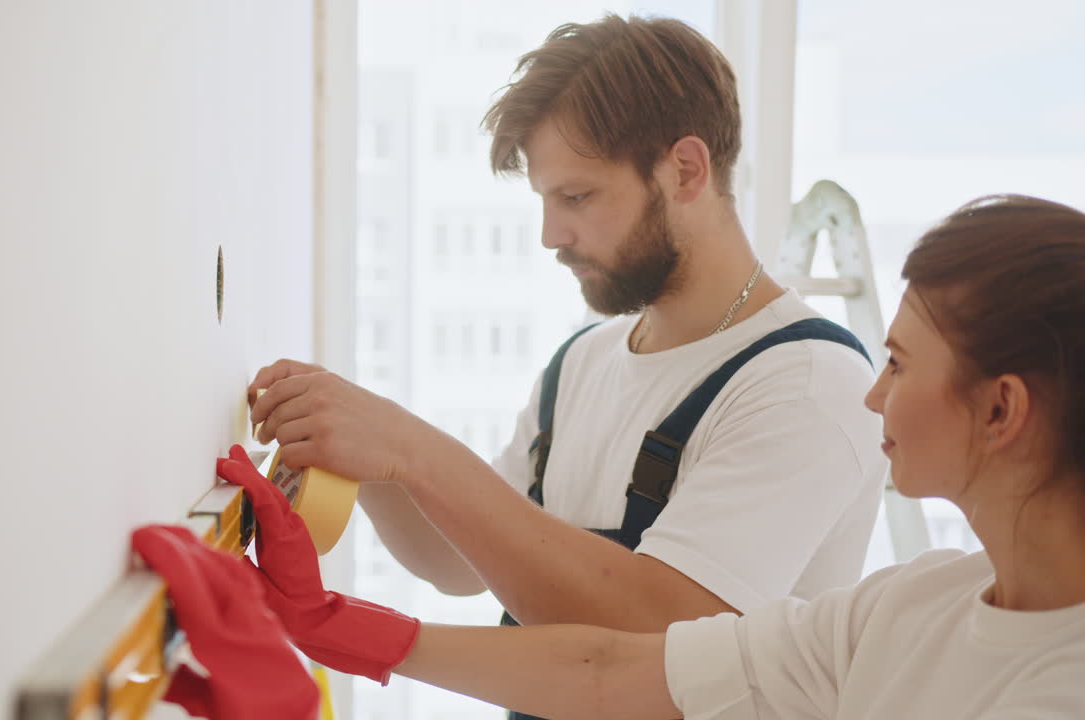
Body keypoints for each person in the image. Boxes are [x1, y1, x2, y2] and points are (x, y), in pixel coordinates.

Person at [142, 194, 1085, 719]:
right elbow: (608, 670)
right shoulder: (907, 607)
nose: (876, 391)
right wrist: (329, 622)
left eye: (902, 362)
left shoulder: (1059, 682)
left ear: (1001, 409)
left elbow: (648, 623)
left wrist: (409, 447)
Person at [249, 16, 885, 718]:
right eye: (544, 200)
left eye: (576, 197)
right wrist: (358, 454)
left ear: (686, 170)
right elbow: (459, 564)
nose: (551, 235)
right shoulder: (583, 361)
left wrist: (410, 446)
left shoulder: (806, 384)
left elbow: (658, 631)